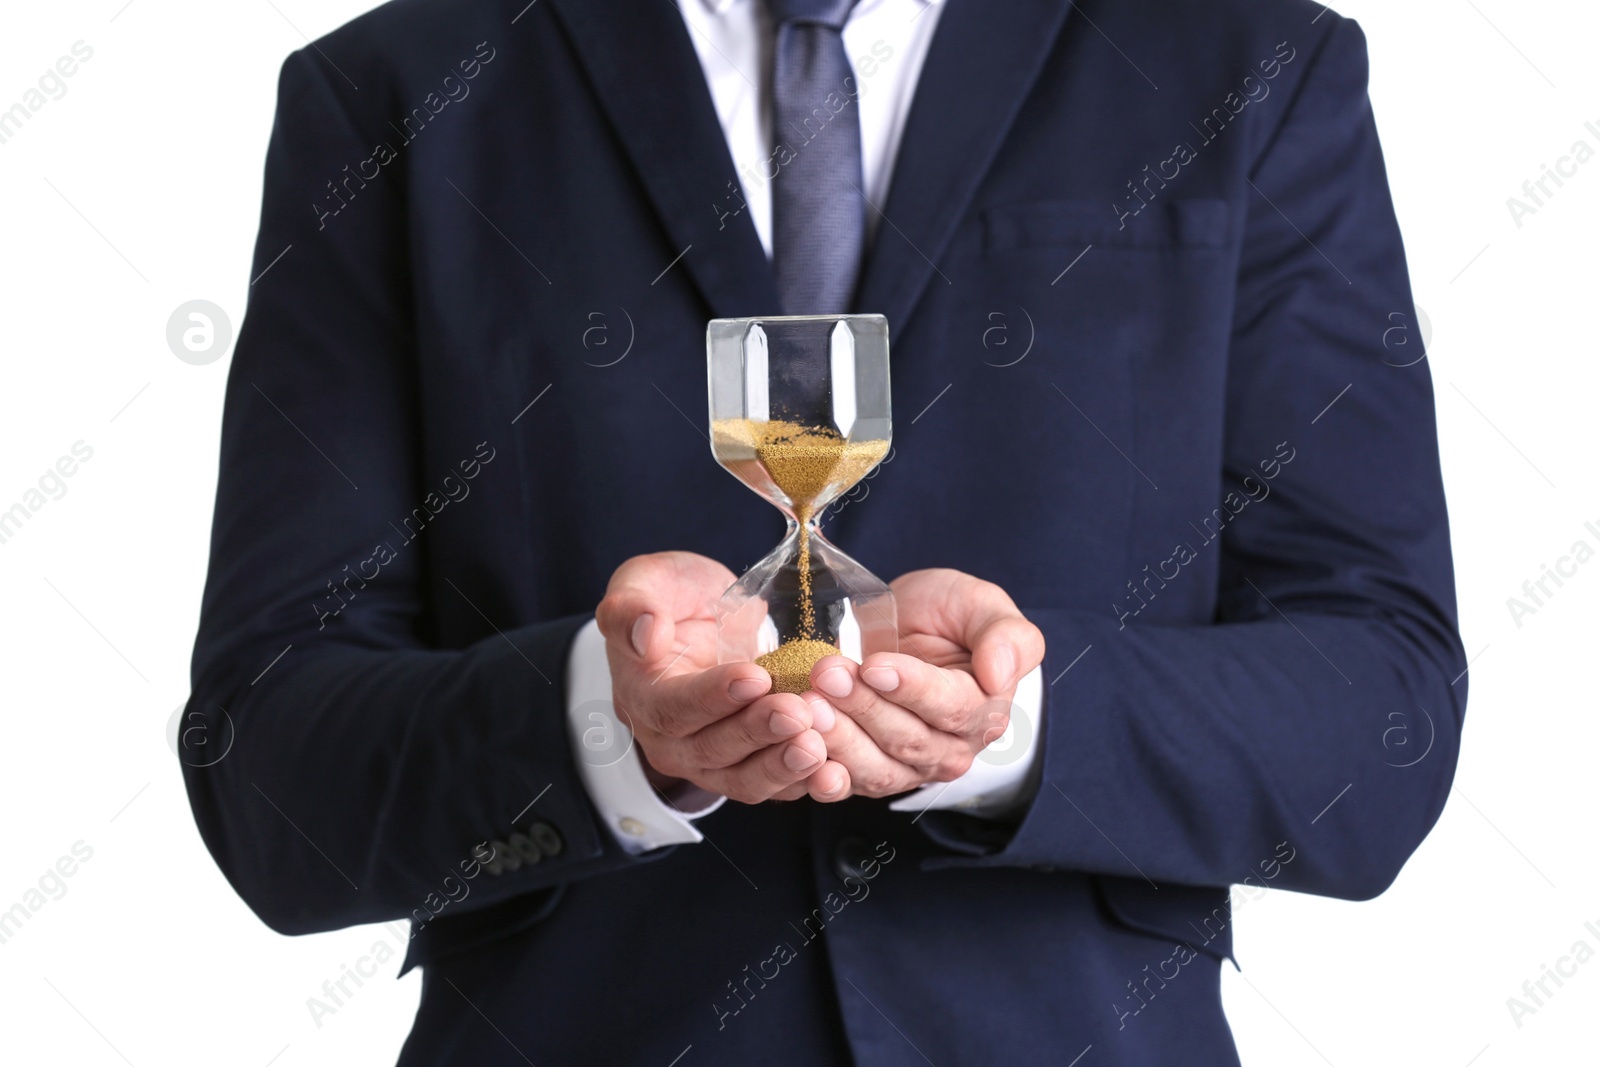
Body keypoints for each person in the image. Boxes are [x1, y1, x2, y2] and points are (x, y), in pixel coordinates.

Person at [183, 0, 1465, 1063]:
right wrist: (599, 719)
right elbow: (265, 764)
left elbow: (1383, 714)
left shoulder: (1242, 61)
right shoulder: (400, 88)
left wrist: (1013, 720)